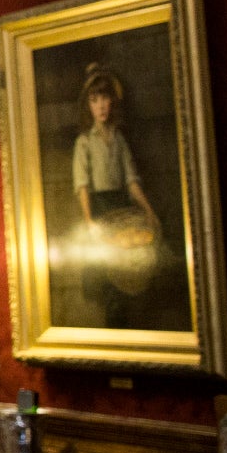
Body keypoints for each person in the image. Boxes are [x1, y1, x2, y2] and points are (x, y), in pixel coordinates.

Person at [71, 63, 159, 328]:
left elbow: (131, 180)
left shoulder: (119, 140)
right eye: (94, 100)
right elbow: (82, 185)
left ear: (112, 102)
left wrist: (148, 210)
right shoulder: (84, 142)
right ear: (88, 105)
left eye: (105, 99)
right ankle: (113, 329)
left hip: (122, 208)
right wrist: (89, 221)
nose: (101, 106)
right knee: (107, 276)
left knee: (130, 271)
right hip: (100, 208)